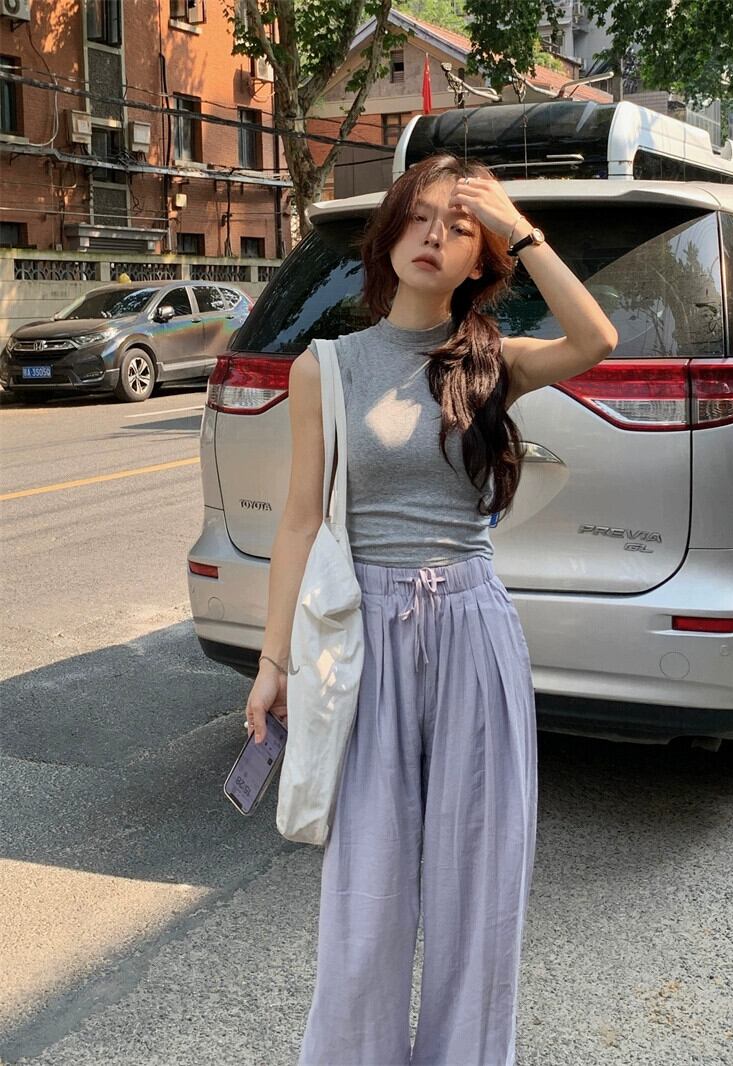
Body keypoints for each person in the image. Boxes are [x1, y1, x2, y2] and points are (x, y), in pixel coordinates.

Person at [245, 153, 618, 1065]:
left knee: (479, 883)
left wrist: (522, 230)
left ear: (480, 259)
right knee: (366, 887)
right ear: (388, 237)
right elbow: (298, 521)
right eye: (418, 217)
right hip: (363, 637)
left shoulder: (494, 362)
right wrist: (272, 662)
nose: (433, 236)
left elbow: (595, 338)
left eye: (458, 227)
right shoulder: (326, 368)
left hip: (473, 628)